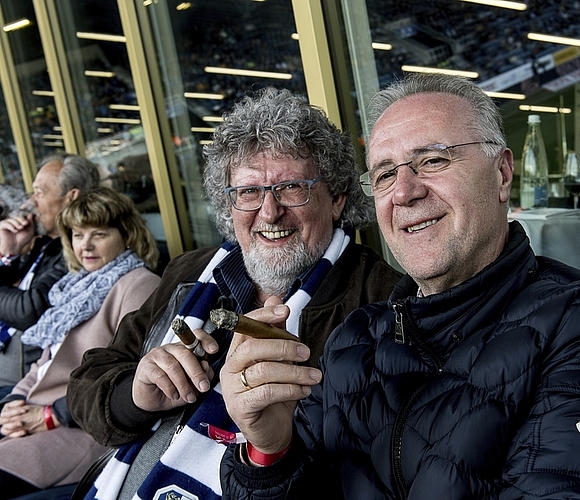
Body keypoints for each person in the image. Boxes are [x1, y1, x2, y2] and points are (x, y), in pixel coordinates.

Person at [218, 74, 580, 499]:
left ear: (502, 174)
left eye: (432, 160)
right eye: (385, 174)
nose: (404, 192)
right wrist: (269, 450)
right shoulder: (355, 340)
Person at [66, 87, 402, 500]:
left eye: (292, 187)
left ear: (336, 199)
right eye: (248, 191)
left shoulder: (382, 303)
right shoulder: (189, 272)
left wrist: (275, 445)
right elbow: (86, 380)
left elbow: (374, 473)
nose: (269, 211)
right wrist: (134, 396)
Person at [0, 186, 161, 497]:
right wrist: (12, 404)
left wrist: (51, 416)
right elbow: (43, 364)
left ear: (126, 235)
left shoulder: (138, 285)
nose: (85, 245)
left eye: (98, 234)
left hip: (85, 429)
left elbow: (130, 381)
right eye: (77, 234)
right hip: (37, 411)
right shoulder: (74, 286)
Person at [0, 153, 100, 393]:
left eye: (40, 192)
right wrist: (10, 252)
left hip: (22, 384)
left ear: (71, 197)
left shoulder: (82, 250)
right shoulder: (43, 243)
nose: (32, 201)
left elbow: (29, 309)